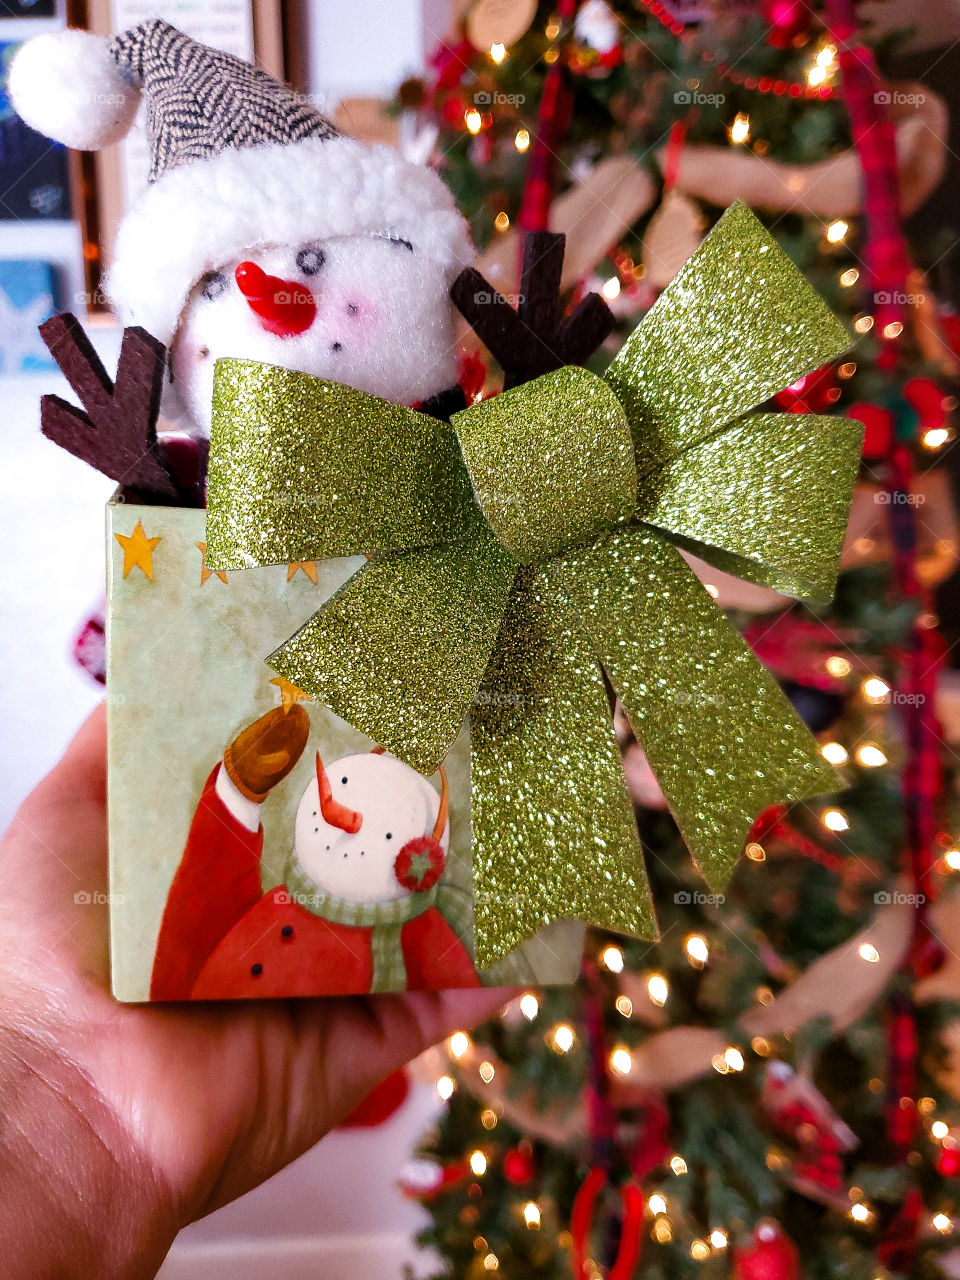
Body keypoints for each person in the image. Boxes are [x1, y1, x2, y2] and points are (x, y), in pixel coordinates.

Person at [0, 706, 508, 1278]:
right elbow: (204, 903)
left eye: (383, 828)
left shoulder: (415, 932)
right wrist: (239, 793)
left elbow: (463, 955)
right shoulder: (272, 899)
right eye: (338, 789)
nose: (340, 817)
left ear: (418, 859)